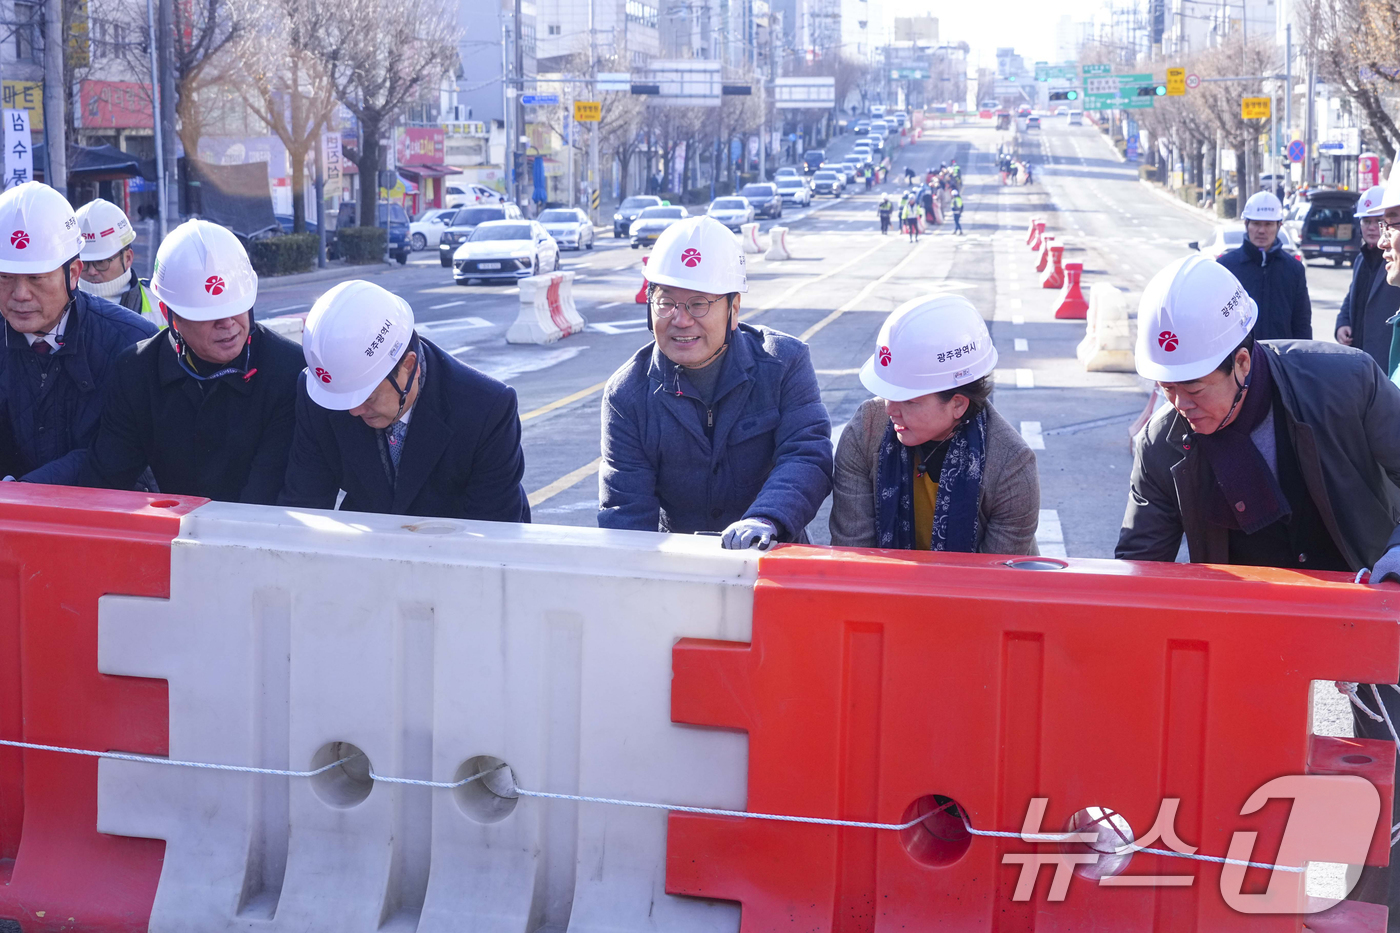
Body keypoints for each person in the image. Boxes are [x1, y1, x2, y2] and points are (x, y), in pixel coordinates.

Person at [1117, 253, 1400, 914]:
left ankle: (1374, 909)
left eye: (1193, 387)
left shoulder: (1342, 382)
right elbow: (1140, 569)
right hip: (1254, 622)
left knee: (1380, 779)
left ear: (1242, 363)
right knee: (1250, 779)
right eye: (1165, 388)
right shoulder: (1165, 443)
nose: (1178, 405)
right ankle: (1252, 909)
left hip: (1360, 590)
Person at [598, 215, 832, 549]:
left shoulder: (783, 364)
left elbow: (807, 455)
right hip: (680, 568)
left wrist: (765, 518)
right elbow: (626, 509)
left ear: (734, 308)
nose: (681, 319)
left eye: (698, 304)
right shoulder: (627, 395)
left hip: (773, 556)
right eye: (666, 303)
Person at [77, 220, 303, 503]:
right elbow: (104, 484)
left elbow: (268, 496)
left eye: (237, 306)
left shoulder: (287, 370)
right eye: (207, 314)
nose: (228, 323)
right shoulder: (137, 371)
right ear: (168, 313)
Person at [279, 279, 529, 521]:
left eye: (367, 396)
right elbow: (304, 504)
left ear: (409, 366)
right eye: (345, 399)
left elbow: (494, 531)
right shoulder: (327, 395)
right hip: (369, 548)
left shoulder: (486, 410)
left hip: (457, 548)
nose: (353, 410)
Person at [829, 294, 1040, 553]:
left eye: (909, 400)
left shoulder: (1011, 465)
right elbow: (853, 555)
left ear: (958, 404)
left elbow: (994, 583)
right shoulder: (866, 430)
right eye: (888, 394)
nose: (890, 409)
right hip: (884, 589)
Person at [0, 182, 157, 485]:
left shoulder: (132, 342)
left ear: (73, 273)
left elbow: (117, 456)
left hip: (107, 522)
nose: (19, 294)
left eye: (36, 278)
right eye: (5, 277)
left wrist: (25, 492)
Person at [1216, 191, 1312, 340]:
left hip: (1280, 359)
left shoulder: (1294, 269)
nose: (1262, 230)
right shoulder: (1226, 267)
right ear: (1246, 224)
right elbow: (1217, 320)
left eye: (1268, 224)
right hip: (1239, 358)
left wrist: (1303, 360)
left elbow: (1302, 323)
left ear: (1279, 226)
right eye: (1256, 223)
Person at [1335, 185, 1400, 372]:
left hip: (1386, 360)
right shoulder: (1361, 259)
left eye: (1379, 221)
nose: (1372, 228)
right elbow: (1352, 297)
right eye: (1366, 221)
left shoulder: (1394, 264)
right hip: (1360, 358)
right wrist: (1343, 322)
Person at [75, 198, 158, 326]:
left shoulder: (159, 303)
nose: (92, 271)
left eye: (101, 262)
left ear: (128, 258)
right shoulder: (60, 307)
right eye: (84, 263)